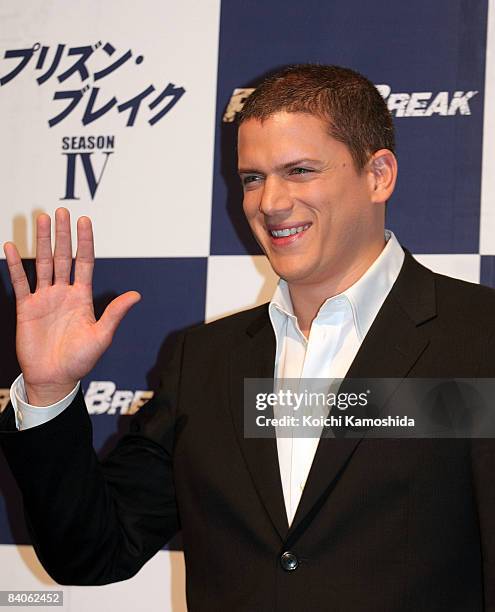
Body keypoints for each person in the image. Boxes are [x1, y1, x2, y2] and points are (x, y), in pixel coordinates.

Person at [1, 64, 495, 611]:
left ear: (378, 174)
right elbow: (91, 552)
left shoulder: (478, 337)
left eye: (300, 170)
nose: (270, 202)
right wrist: (47, 394)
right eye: (253, 178)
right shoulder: (206, 362)